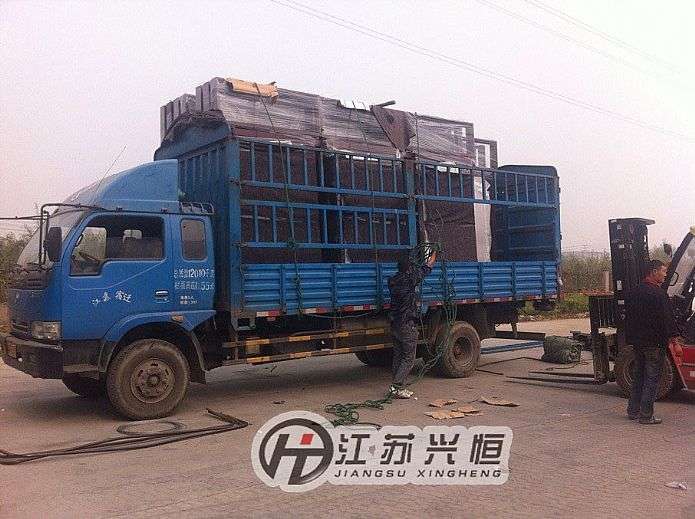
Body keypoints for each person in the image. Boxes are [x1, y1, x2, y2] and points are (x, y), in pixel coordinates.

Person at [625, 259, 680, 424]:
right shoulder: (659, 294)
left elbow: (629, 318)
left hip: (638, 342)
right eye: (663, 271)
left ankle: (633, 411)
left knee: (639, 376)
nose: (665, 275)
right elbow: (667, 320)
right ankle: (646, 415)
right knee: (652, 379)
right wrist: (675, 340)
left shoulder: (633, 292)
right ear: (654, 272)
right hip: (654, 344)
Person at [387, 246, 437, 399]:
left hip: (395, 323)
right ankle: (397, 387)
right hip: (407, 324)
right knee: (408, 358)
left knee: (398, 356)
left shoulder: (393, 281)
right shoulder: (410, 280)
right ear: (409, 268)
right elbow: (427, 267)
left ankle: (396, 387)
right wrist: (434, 253)